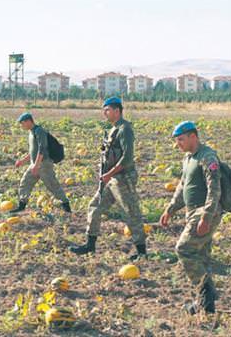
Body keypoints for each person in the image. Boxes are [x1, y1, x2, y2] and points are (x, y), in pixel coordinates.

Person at [70, 97, 147, 261]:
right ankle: (90, 245)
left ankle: (142, 252)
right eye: (103, 110)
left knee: (130, 212)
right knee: (95, 206)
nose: (104, 113)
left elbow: (127, 158)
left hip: (122, 179)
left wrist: (110, 173)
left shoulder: (125, 129)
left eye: (107, 109)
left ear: (117, 111)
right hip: (111, 179)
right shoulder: (113, 129)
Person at [160, 121, 221, 315]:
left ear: (193, 136)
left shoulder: (207, 157)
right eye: (177, 140)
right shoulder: (187, 158)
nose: (178, 144)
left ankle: (206, 294)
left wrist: (206, 217)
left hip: (204, 212)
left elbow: (214, 190)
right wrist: (170, 209)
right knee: (202, 257)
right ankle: (205, 305)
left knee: (184, 249)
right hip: (191, 212)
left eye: (181, 139)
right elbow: (182, 186)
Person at [10, 112, 72, 215]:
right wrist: (22, 161)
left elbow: (42, 149)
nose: (21, 126)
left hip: (44, 164)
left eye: (22, 123)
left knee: (53, 185)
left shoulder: (39, 131)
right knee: (25, 182)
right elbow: (32, 152)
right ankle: (21, 206)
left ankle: (66, 207)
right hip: (35, 164)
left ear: (29, 121)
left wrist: (37, 165)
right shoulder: (31, 132)